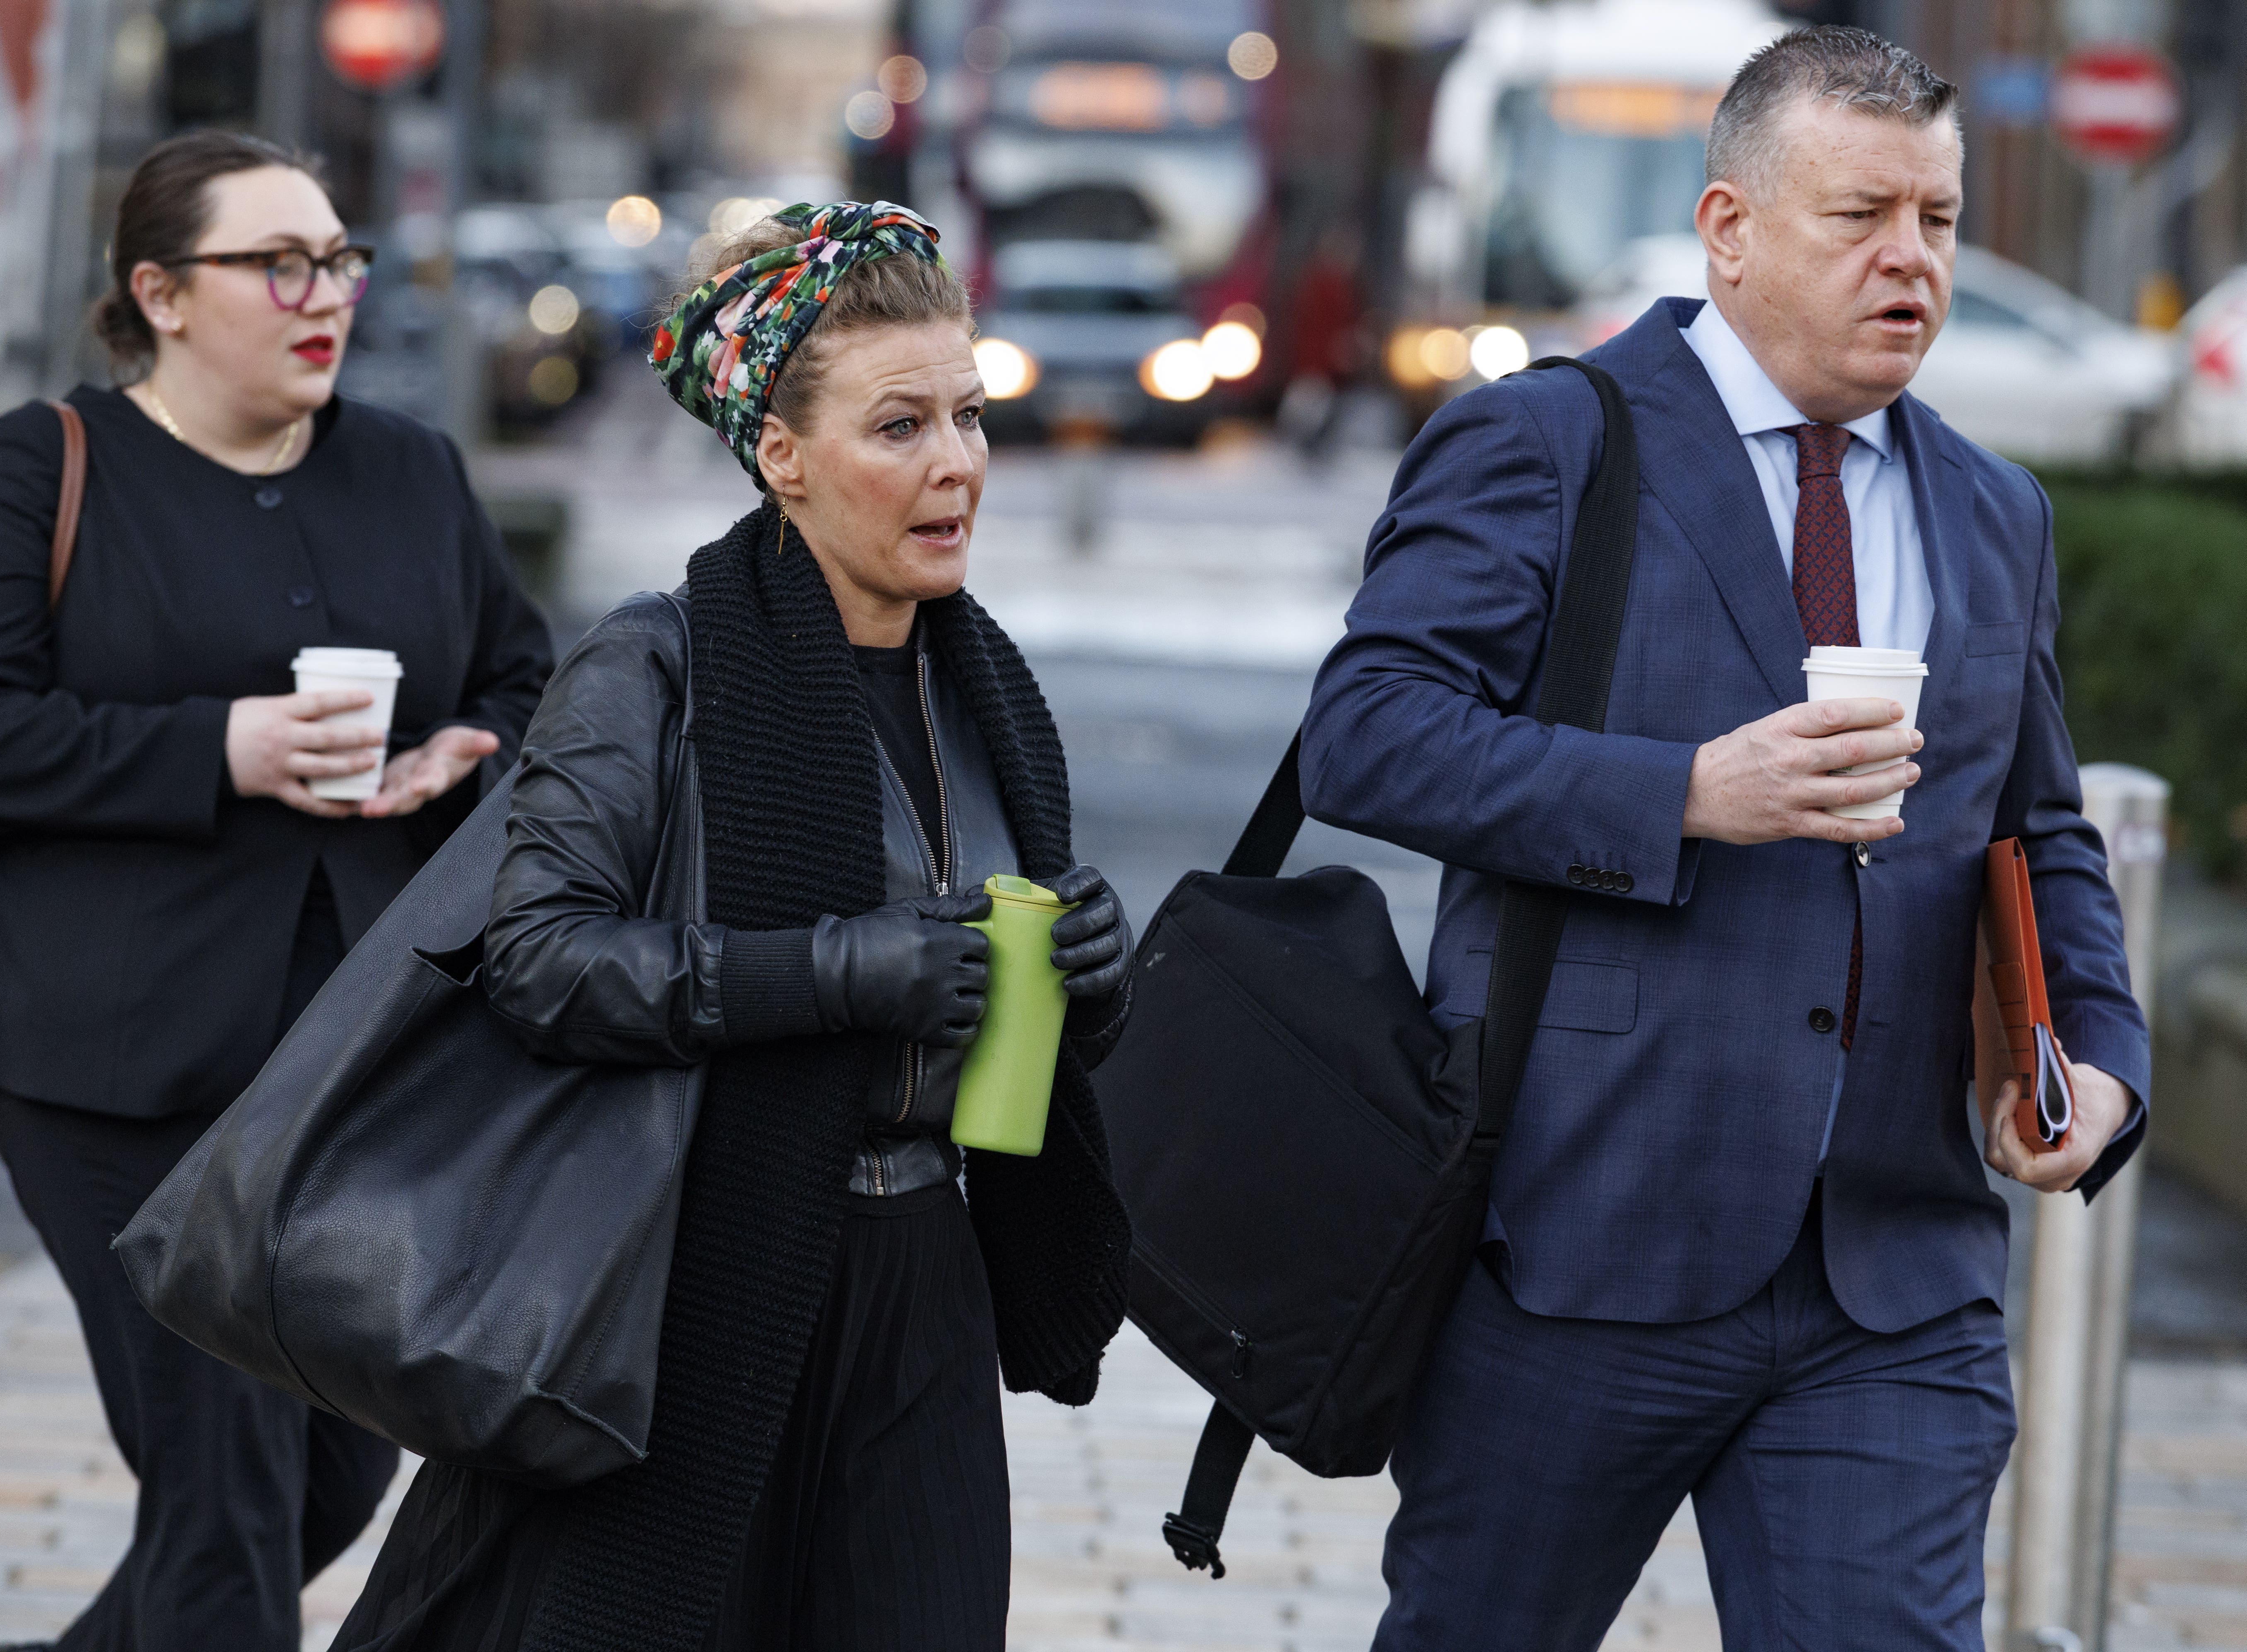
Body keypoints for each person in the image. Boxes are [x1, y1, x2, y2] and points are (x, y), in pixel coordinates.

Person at [1301, 29, 2148, 1650]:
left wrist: (2095, 1057)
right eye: (1859, 217)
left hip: (1892, 1282)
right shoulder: (1551, 440)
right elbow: (1368, 734)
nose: (1909, 258)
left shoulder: (1994, 511)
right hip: (1578, 1236)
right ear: (1729, 227)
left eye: (1939, 220)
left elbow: (2037, 829)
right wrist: (1682, 793)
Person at [330, 201, 1134, 1652]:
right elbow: (539, 960)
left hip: (923, 1286)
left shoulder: (992, 690)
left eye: (969, 414)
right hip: (694, 1281)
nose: (955, 462)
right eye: (899, 427)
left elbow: (1006, 1019)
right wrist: (837, 970)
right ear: (782, 454)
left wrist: (1094, 978)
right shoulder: (655, 661)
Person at [0, 131, 553, 1651]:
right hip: (104, 1057)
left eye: (339, 258)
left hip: (352, 1060)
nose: (325, 294)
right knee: (231, 1476)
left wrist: (472, 745)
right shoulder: (43, 464)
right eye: (280, 264)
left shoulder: (410, 467)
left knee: (329, 1467)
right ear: (162, 294)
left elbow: (526, 673)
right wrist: (227, 746)